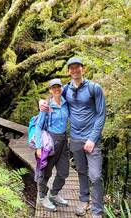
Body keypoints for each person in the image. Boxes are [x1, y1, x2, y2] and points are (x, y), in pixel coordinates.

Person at [40, 57, 106, 218]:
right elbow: (55, 98)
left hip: (92, 139)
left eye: (78, 67)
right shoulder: (67, 89)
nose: (75, 70)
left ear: (83, 69)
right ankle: (83, 201)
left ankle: (97, 212)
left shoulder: (94, 88)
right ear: (68, 71)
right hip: (75, 138)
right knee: (82, 171)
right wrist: (42, 103)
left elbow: (101, 114)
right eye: (71, 68)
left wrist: (92, 138)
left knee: (95, 176)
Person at [35, 78, 69, 212]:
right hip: (50, 142)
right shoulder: (46, 106)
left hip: (63, 141)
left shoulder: (66, 103)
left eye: (58, 87)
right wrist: (38, 146)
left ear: (62, 88)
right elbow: (38, 126)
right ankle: (42, 196)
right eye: (53, 87)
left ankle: (54, 194)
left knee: (64, 172)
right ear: (50, 90)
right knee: (46, 172)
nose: (56, 89)